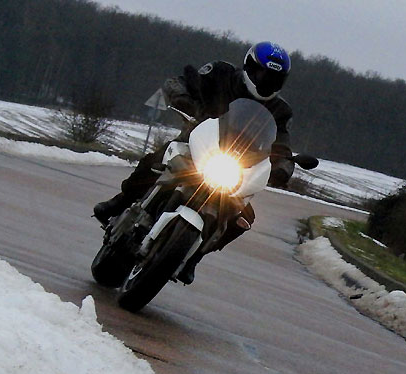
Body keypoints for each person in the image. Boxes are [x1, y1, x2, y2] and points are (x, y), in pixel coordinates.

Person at [94, 41, 294, 284]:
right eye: (263, 73)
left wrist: (284, 166)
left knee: (243, 217)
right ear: (250, 67)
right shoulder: (221, 74)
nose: (266, 81)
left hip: (236, 166)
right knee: (157, 160)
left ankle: (194, 257)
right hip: (196, 143)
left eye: (273, 78)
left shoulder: (279, 110)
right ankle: (120, 202)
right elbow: (178, 82)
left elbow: (282, 142)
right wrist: (184, 99)